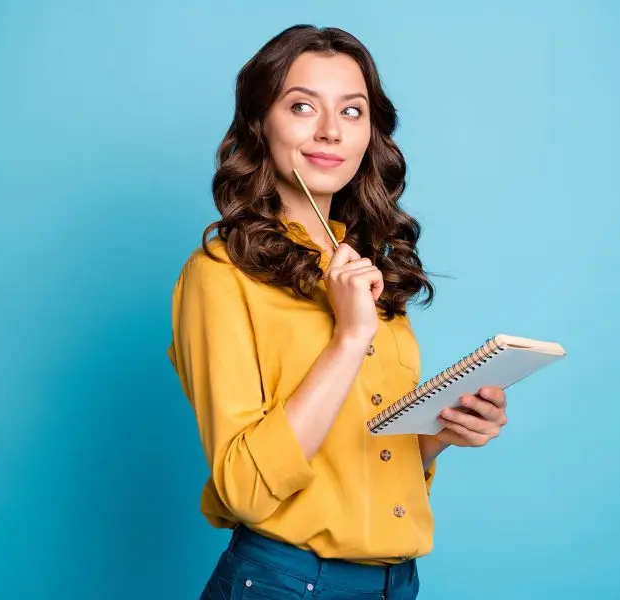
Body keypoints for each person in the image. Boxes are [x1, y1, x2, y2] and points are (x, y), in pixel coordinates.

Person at [167, 24, 508, 600]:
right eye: (302, 106)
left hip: (395, 582)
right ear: (260, 123)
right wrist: (349, 338)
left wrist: (442, 433)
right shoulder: (219, 276)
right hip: (287, 582)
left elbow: (359, 454)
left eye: (352, 111)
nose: (330, 131)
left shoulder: (368, 266)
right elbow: (245, 488)